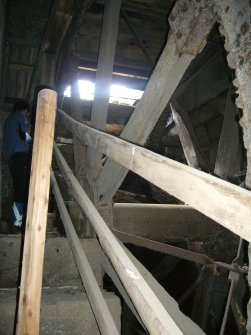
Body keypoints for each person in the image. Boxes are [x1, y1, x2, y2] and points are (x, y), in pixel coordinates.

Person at [3, 100, 32, 233]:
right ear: (25, 111)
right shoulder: (20, 117)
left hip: (11, 158)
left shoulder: (9, 120)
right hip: (20, 157)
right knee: (21, 189)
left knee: (18, 188)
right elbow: (28, 136)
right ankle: (17, 224)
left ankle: (15, 222)